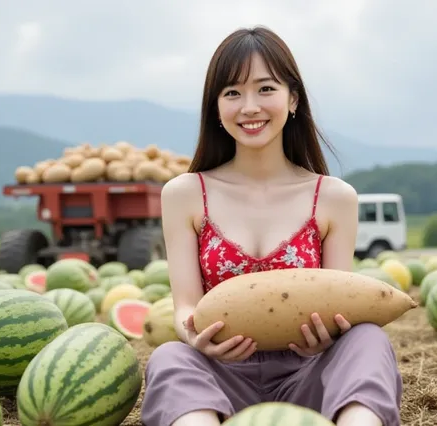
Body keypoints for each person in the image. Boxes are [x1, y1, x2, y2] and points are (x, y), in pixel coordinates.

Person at [140, 26, 403, 426]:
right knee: (170, 357)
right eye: (232, 93)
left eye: (265, 89)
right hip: (220, 381)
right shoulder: (185, 193)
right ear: (215, 107)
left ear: (292, 98)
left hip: (308, 377)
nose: (249, 107)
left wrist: (329, 335)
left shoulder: (334, 197)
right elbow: (186, 307)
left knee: (367, 341)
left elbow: (336, 297)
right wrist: (195, 336)